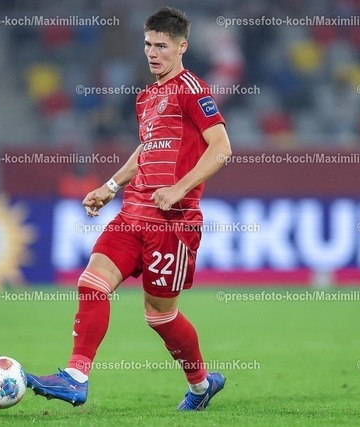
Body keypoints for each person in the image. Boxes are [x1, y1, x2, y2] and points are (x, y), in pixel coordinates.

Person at [27, 7, 232, 411]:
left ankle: (200, 385)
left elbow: (222, 147)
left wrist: (179, 188)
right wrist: (110, 186)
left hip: (172, 223)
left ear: (182, 47)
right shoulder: (147, 96)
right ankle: (76, 377)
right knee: (92, 283)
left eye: (162, 46)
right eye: (148, 44)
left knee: (160, 316)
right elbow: (147, 149)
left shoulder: (193, 90)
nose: (152, 53)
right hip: (131, 215)